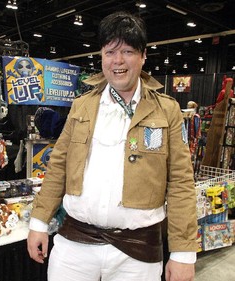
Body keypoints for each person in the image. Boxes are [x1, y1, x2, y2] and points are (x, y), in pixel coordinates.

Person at [27, 11, 198, 281]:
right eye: (110, 52)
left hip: (137, 254)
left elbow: (180, 183)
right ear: (102, 56)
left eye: (128, 51)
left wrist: (183, 253)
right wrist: (38, 222)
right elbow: (58, 164)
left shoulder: (167, 111)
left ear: (143, 56)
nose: (118, 61)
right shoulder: (83, 105)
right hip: (74, 246)